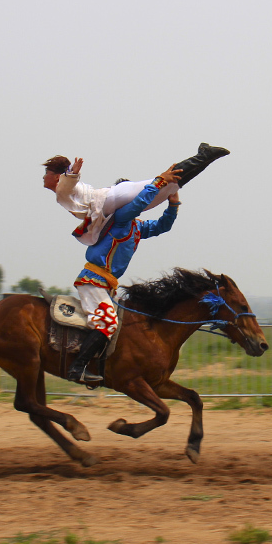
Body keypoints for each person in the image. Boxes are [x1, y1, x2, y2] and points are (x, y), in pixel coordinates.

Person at [65, 164, 183, 383]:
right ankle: (77, 369)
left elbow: (162, 226)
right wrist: (159, 181)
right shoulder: (118, 217)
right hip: (94, 280)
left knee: (120, 326)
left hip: (106, 284)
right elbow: (138, 204)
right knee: (108, 323)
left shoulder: (136, 227)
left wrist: (173, 204)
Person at [42, 143, 228, 246]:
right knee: (171, 186)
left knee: (165, 180)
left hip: (112, 198)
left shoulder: (63, 190)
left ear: (57, 177)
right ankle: (205, 157)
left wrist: (72, 173)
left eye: (47, 174)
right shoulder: (69, 192)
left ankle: (204, 156)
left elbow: (65, 185)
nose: (44, 178)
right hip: (111, 205)